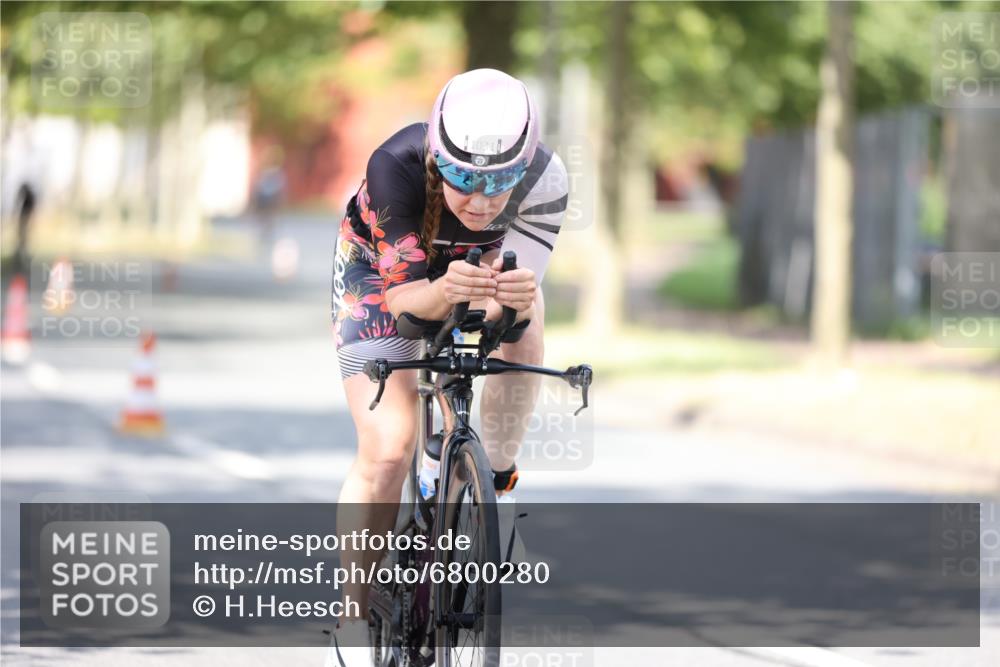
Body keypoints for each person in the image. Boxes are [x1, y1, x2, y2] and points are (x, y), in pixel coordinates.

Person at [328, 68, 568, 665]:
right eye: (463, 179)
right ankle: (353, 616)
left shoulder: (547, 178)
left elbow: (514, 301)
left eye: (500, 183)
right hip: (380, 275)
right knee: (389, 447)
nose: (481, 202)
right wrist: (444, 292)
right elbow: (407, 306)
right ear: (438, 157)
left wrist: (497, 303)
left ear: (524, 167)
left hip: (475, 273)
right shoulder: (395, 165)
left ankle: (495, 484)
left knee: (531, 309)